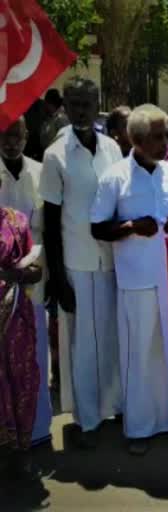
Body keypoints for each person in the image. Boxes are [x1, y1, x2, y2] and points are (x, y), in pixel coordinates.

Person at [90, 104, 168, 456]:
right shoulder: (116, 177)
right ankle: (140, 429)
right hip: (135, 281)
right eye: (159, 137)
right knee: (139, 356)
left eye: (166, 136)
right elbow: (97, 227)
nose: (166, 143)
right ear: (138, 140)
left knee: (166, 353)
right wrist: (130, 227)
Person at [39, 79, 123, 449]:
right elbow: (52, 223)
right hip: (77, 264)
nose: (81, 110)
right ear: (66, 108)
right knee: (81, 346)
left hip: (112, 261)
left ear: (98, 103)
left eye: (87, 103)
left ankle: (112, 408)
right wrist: (57, 279)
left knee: (110, 339)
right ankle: (86, 420)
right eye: (74, 103)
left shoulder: (113, 149)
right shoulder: (55, 155)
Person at [0, 117, 52, 446]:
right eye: (4, 135)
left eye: (16, 134)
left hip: (35, 277)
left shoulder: (39, 171)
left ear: (26, 135)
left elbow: (47, 229)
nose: (10, 141)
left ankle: (37, 429)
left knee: (36, 354)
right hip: (2, 284)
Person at [0, 201, 43, 479]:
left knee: (20, 379)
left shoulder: (16, 220)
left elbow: (36, 269)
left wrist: (19, 273)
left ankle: (19, 452)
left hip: (14, 315)